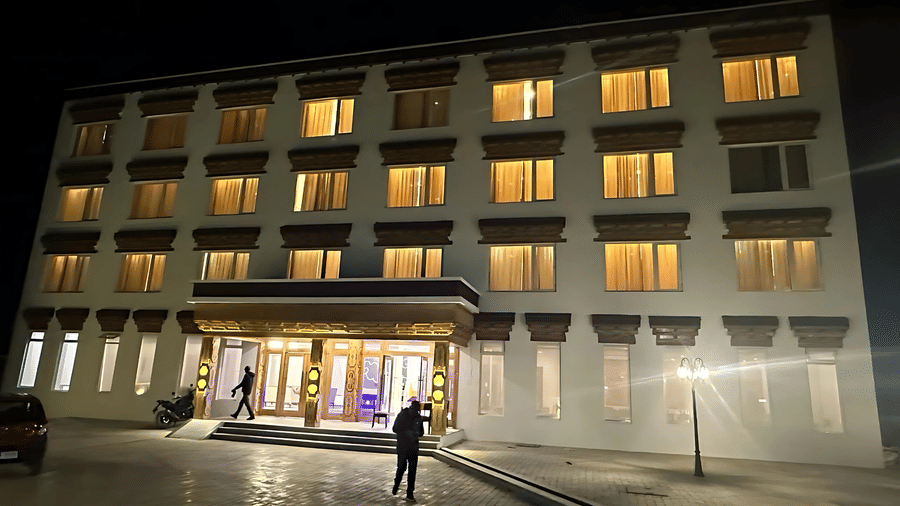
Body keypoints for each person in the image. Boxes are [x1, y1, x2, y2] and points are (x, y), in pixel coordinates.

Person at [392, 400, 424, 502]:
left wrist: (416, 433)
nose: (417, 412)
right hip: (403, 445)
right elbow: (395, 428)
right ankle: (396, 484)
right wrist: (407, 433)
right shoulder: (403, 415)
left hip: (413, 447)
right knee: (402, 467)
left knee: (412, 469)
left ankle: (410, 492)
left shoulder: (418, 418)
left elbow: (421, 432)